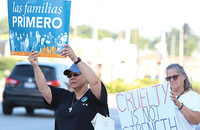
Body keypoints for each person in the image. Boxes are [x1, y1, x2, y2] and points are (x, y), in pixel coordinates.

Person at [28, 44, 109, 130]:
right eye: (69, 76)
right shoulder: (64, 96)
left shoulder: (94, 96)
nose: (72, 77)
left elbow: (95, 82)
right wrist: (36, 66)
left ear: (87, 78)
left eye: (76, 74)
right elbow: (44, 89)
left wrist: (75, 59)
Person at [165, 64, 200, 130]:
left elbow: (196, 120)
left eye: (175, 77)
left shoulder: (194, 97)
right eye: (168, 78)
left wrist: (179, 104)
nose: (172, 80)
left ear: (184, 76)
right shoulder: (162, 97)